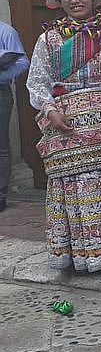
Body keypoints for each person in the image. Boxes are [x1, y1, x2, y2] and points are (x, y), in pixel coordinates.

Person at [26, 0, 101, 273]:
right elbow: (37, 81)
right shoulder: (48, 40)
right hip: (65, 125)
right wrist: (50, 110)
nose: (75, 0)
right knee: (71, 186)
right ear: (59, 2)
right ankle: (77, 255)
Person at [0, 21, 30, 212]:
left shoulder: (5, 31)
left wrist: (1, 78)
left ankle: (0, 195)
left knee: (0, 146)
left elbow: (22, 62)